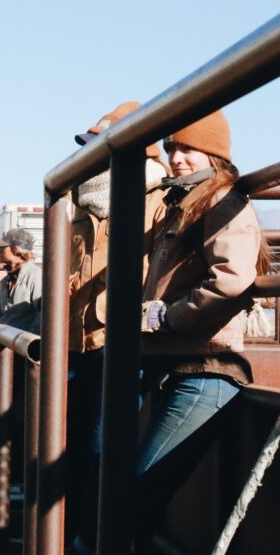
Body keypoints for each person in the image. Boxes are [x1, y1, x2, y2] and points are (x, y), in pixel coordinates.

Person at [135, 109, 270, 550]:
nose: (177, 158)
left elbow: (231, 279)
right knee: (139, 493)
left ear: (214, 154)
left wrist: (168, 317)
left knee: (137, 494)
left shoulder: (221, 198)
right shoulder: (185, 201)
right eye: (173, 148)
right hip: (182, 366)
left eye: (189, 149)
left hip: (206, 369)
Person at [66, 101, 171, 551]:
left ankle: (94, 539)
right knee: (72, 448)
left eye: (98, 144)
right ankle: (72, 535)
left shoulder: (155, 197)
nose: (90, 155)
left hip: (120, 339)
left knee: (100, 448)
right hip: (77, 341)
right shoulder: (83, 204)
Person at [0, 228, 41, 333]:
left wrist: (30, 342)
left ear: (15, 250)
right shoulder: (6, 280)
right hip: (4, 339)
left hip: (22, 343)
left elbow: (42, 314)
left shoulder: (35, 276)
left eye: (3, 247)